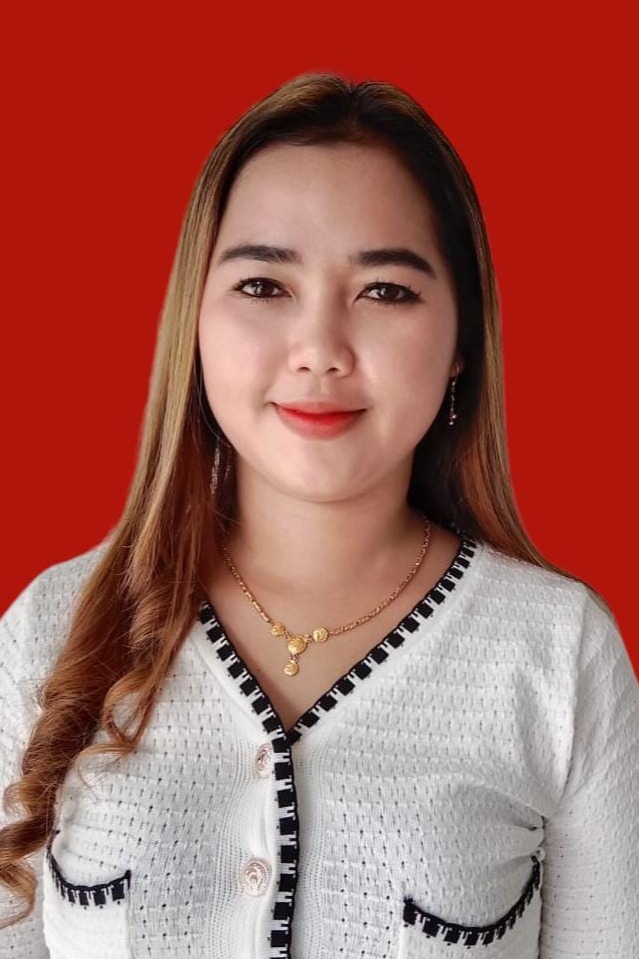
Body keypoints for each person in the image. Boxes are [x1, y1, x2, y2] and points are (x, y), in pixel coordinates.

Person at [0, 71, 637, 959]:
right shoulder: (52, 631)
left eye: (385, 291)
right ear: (194, 321)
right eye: (264, 285)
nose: (319, 351)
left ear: (461, 341)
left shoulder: (558, 654)